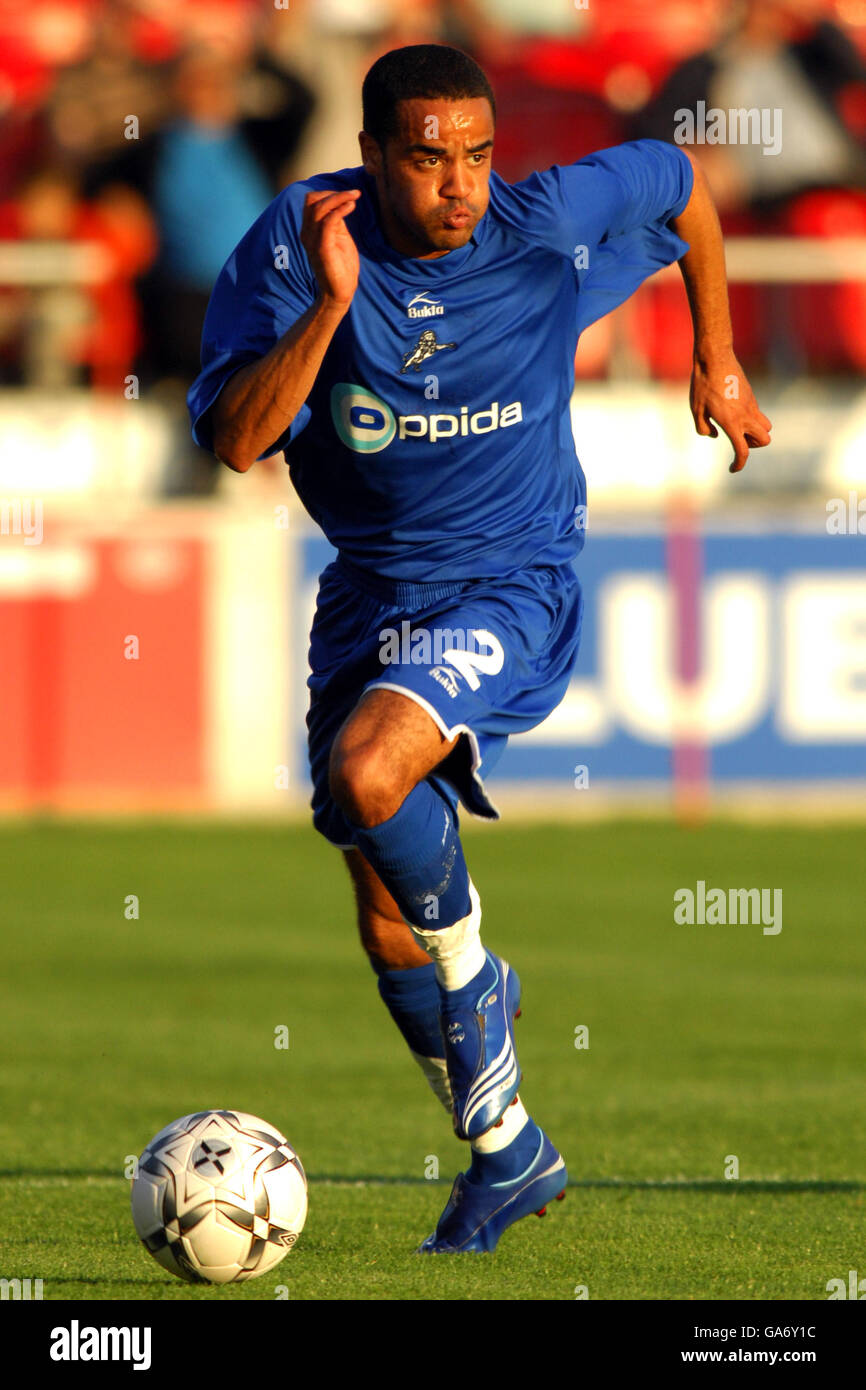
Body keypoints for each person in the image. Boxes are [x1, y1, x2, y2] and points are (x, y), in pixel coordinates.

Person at [187, 44, 772, 1253]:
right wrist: (333, 306)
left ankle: (477, 985)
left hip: (512, 585)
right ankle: (505, 1153)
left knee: (365, 775)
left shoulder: (537, 223)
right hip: (368, 596)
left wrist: (713, 352)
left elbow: (678, 181)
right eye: (425, 157)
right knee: (382, 908)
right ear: (369, 156)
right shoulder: (298, 246)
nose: (458, 184)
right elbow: (240, 442)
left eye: (476, 154)